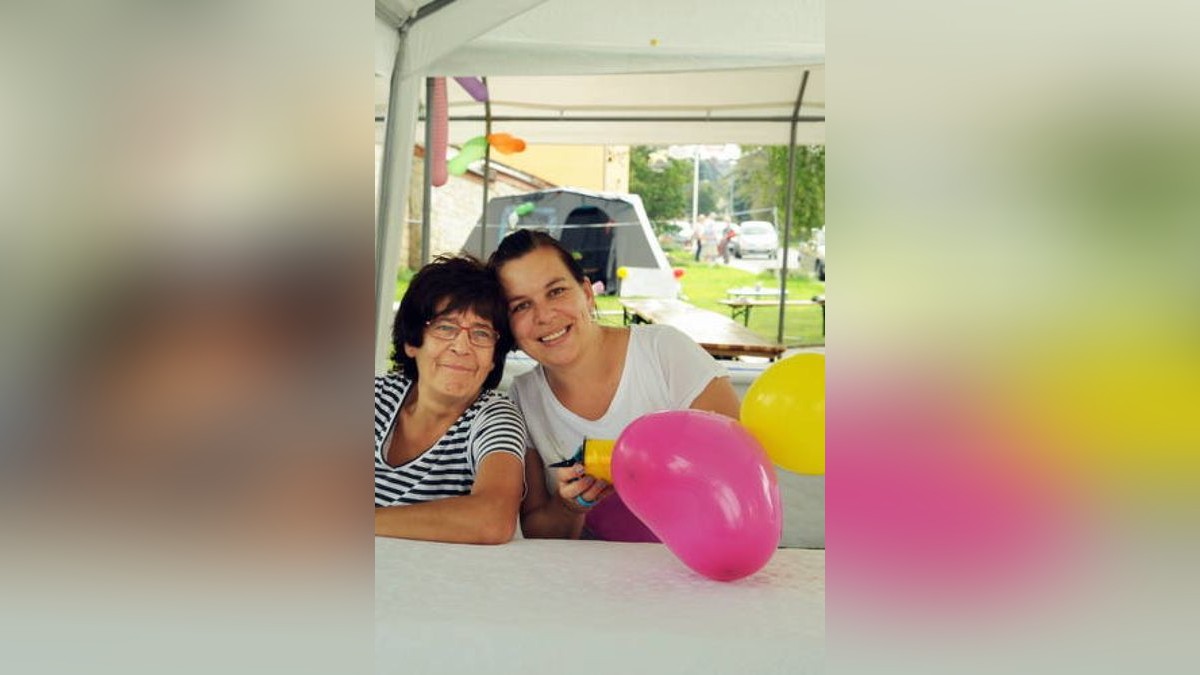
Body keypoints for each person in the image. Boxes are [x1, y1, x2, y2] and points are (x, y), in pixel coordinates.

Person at [487, 230, 741, 541]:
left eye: (556, 291)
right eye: (521, 306)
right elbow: (538, 530)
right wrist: (569, 507)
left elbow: (740, 469)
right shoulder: (524, 397)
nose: (544, 315)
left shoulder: (665, 351)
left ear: (586, 293)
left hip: (701, 563)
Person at [374, 255, 527, 544]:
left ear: (495, 358)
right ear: (412, 341)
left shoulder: (494, 417)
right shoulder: (378, 397)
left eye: (481, 333)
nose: (461, 346)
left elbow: (493, 519)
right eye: (445, 327)